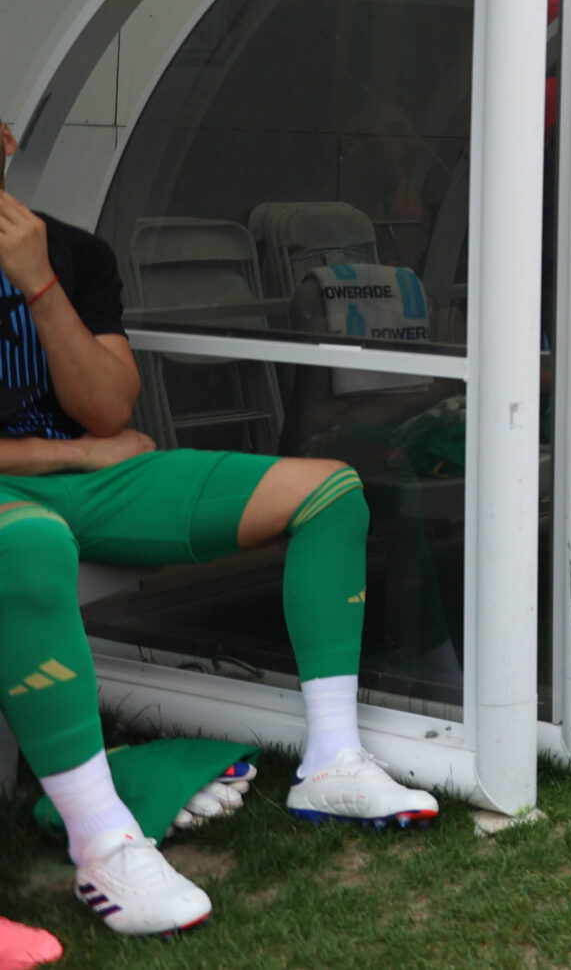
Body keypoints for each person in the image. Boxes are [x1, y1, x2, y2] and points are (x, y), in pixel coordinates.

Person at [0, 124, 436, 939]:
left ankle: (331, 760)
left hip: (89, 471)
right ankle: (102, 839)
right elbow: (96, 436)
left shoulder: (70, 250)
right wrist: (77, 455)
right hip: (51, 478)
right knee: (29, 544)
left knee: (328, 491)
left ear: (6, 139)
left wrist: (38, 285)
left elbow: (108, 407)